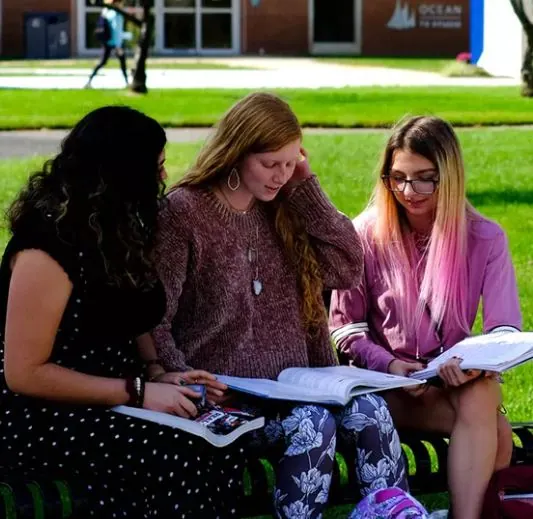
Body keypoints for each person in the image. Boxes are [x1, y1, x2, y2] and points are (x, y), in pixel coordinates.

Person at [152, 92, 409, 518]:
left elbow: (346, 267)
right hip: (225, 399)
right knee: (313, 426)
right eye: (270, 164)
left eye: (290, 163)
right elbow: (155, 315)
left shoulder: (285, 205)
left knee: (372, 411)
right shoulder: (183, 213)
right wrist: (181, 378)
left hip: (300, 386)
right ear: (236, 153)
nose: (279, 175)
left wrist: (305, 187)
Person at [0, 106, 245, 518]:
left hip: (116, 397)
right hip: (42, 415)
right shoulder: (45, 247)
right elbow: (24, 373)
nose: (164, 178)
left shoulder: (118, 227)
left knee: (217, 447)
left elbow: (133, 314)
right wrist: (139, 393)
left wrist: (158, 373)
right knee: (177, 456)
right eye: (157, 167)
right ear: (122, 173)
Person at [329, 115, 522, 519]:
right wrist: (391, 363)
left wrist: (472, 365)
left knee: (484, 395)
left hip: (450, 381)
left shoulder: (486, 238)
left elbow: (504, 330)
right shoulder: (364, 234)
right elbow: (344, 327)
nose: (408, 191)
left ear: (449, 176)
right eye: (397, 177)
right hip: (381, 389)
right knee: (498, 432)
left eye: (424, 178)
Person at [86, 0, 129, 89]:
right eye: (120, 2)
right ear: (116, 3)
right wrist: (118, 45)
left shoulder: (107, 12)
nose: (122, 4)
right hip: (114, 42)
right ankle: (127, 82)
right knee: (121, 62)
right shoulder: (116, 14)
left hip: (108, 42)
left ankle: (89, 81)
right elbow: (116, 30)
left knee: (103, 62)